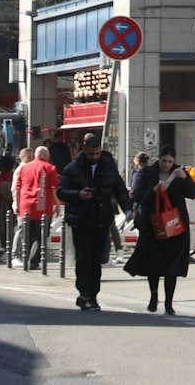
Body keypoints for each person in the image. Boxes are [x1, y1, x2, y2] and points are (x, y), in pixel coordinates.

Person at [58, 133, 131, 312]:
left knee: (97, 260)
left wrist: (127, 208)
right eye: (91, 154)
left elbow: (119, 188)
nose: (94, 157)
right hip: (81, 220)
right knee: (84, 258)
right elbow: (61, 191)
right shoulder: (73, 168)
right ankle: (84, 294)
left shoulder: (108, 166)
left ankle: (92, 295)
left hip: (101, 219)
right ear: (85, 150)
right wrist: (78, 195)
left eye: (97, 154)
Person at [125, 149, 195, 314]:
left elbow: (193, 194)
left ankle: (169, 303)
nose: (166, 165)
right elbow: (138, 197)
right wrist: (153, 191)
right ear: (158, 159)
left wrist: (186, 178)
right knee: (153, 264)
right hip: (152, 226)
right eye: (164, 161)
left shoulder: (179, 173)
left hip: (175, 226)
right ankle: (153, 296)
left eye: (169, 162)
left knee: (171, 267)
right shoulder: (147, 173)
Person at [13, 146, 59, 271]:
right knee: (42, 235)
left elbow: (18, 187)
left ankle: (25, 258)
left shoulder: (25, 167)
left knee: (27, 235)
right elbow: (54, 188)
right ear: (47, 156)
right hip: (42, 206)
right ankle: (34, 261)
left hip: (26, 205)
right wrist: (58, 204)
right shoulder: (50, 168)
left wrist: (17, 204)